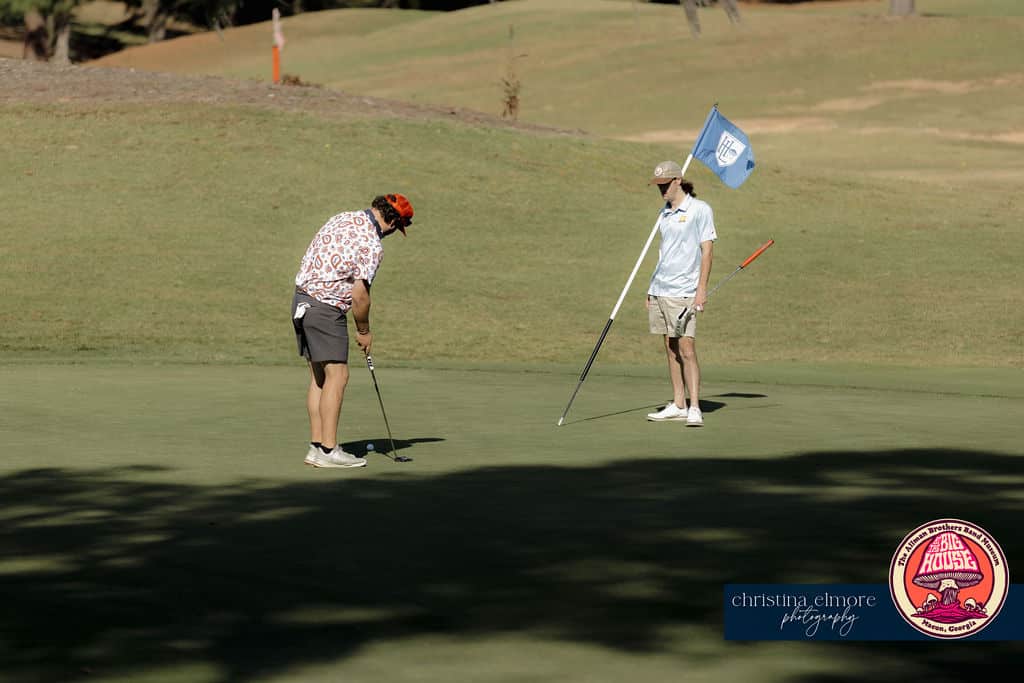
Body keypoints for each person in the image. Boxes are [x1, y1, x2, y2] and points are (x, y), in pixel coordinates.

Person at [292, 193, 414, 468]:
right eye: (397, 228)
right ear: (393, 221)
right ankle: (328, 450)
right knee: (339, 375)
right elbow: (360, 296)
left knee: (320, 378)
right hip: (325, 309)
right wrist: (364, 331)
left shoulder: (342, 218)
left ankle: (316, 447)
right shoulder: (372, 244)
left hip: (301, 301)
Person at [644, 161, 716, 427]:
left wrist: (701, 289)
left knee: (686, 348)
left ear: (678, 180)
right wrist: (651, 288)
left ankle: (694, 406)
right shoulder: (663, 213)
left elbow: (707, 251)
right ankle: (678, 404)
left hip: (684, 290)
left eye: (665, 184)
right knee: (670, 347)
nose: (661, 189)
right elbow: (664, 253)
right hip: (660, 289)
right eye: (658, 185)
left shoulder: (700, 209)